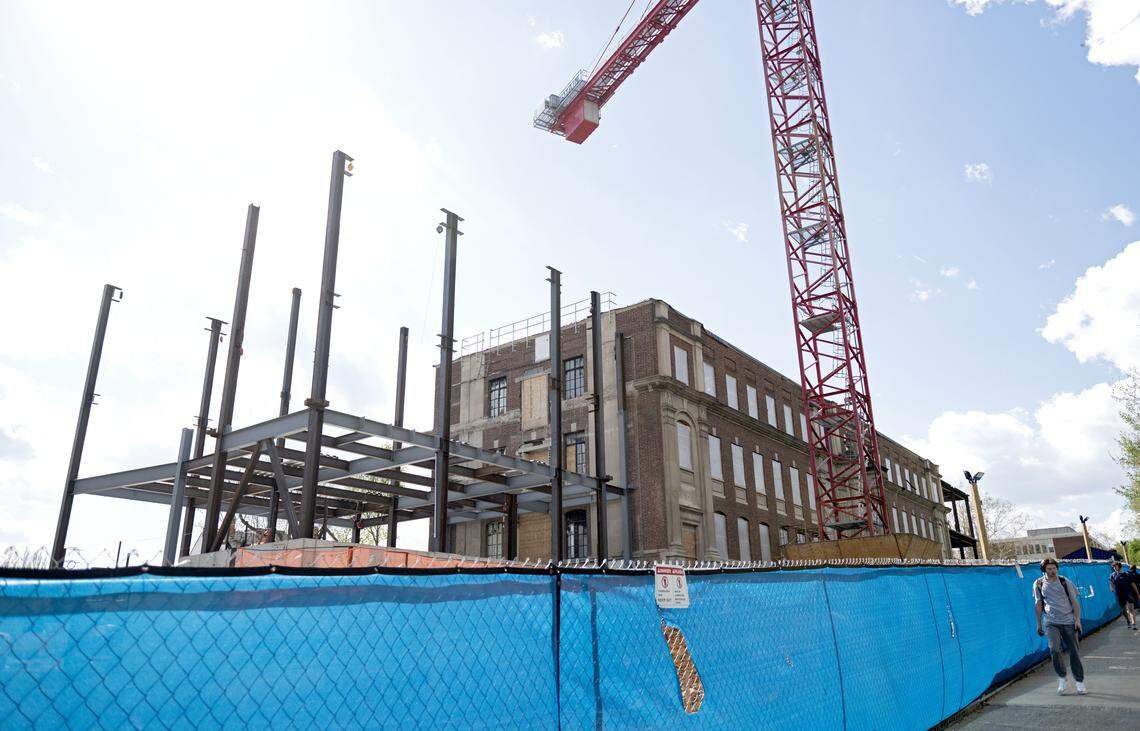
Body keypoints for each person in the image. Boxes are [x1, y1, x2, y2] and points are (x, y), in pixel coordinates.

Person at [1033, 557, 1085, 695]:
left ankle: (1079, 682)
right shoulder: (1038, 584)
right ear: (1044, 570)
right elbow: (1038, 605)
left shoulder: (1064, 581)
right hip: (1051, 622)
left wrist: (1077, 620)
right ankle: (1062, 678)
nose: (1052, 571)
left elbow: (1075, 601)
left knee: (1074, 651)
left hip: (1068, 621)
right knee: (1054, 649)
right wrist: (1039, 624)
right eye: (1049, 569)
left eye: (1054, 568)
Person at [1111, 561, 1139, 629]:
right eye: (1113, 567)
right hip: (1120, 595)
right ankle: (1128, 621)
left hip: (1128, 593)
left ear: (1119, 566)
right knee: (1124, 611)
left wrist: (1137, 593)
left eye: (1115, 566)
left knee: (1130, 609)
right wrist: (1112, 588)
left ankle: (1134, 624)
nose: (1114, 568)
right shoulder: (1113, 575)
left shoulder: (1127, 574)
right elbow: (1111, 582)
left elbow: (1133, 584)